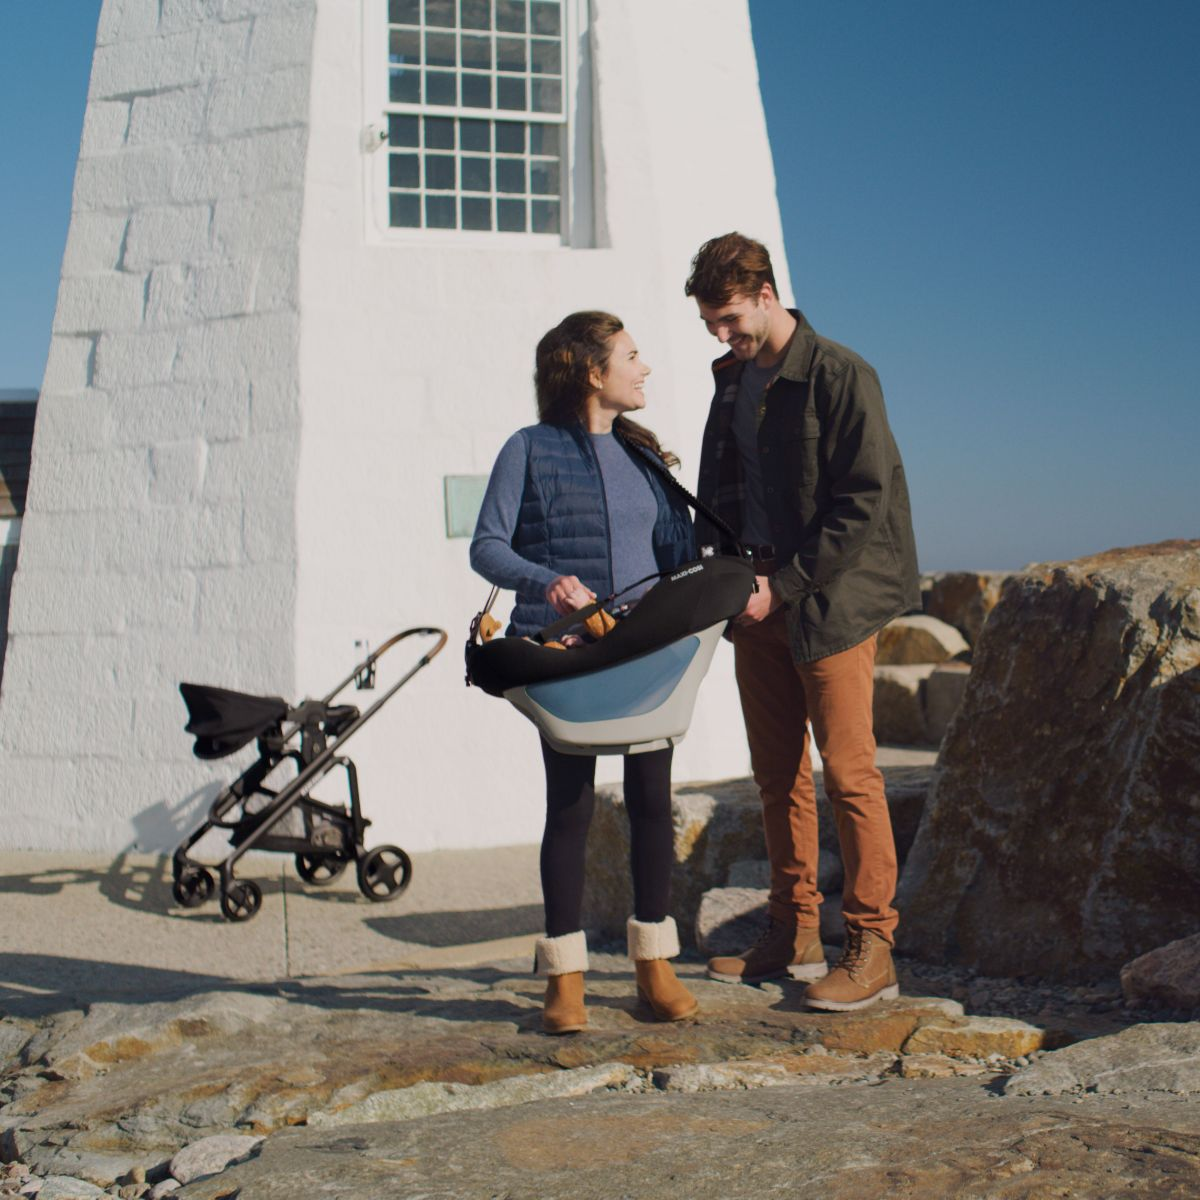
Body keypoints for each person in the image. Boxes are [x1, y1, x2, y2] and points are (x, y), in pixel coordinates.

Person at [685, 232, 920, 1011]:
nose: (722, 335)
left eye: (728, 318)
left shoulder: (842, 373)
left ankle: (873, 946)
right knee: (776, 776)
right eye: (711, 324)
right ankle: (792, 933)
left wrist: (779, 585)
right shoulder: (730, 381)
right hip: (752, 606)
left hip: (830, 602)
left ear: (763, 291)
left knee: (851, 776)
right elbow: (719, 486)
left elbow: (863, 502)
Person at [470, 311, 700, 1034]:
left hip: (648, 648)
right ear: (593, 371)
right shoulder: (529, 449)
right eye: (632, 356)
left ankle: (652, 967)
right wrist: (548, 583)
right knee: (569, 807)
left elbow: (679, 554)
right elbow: (486, 547)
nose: (646, 368)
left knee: (651, 803)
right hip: (566, 649)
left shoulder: (645, 456)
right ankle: (564, 979)